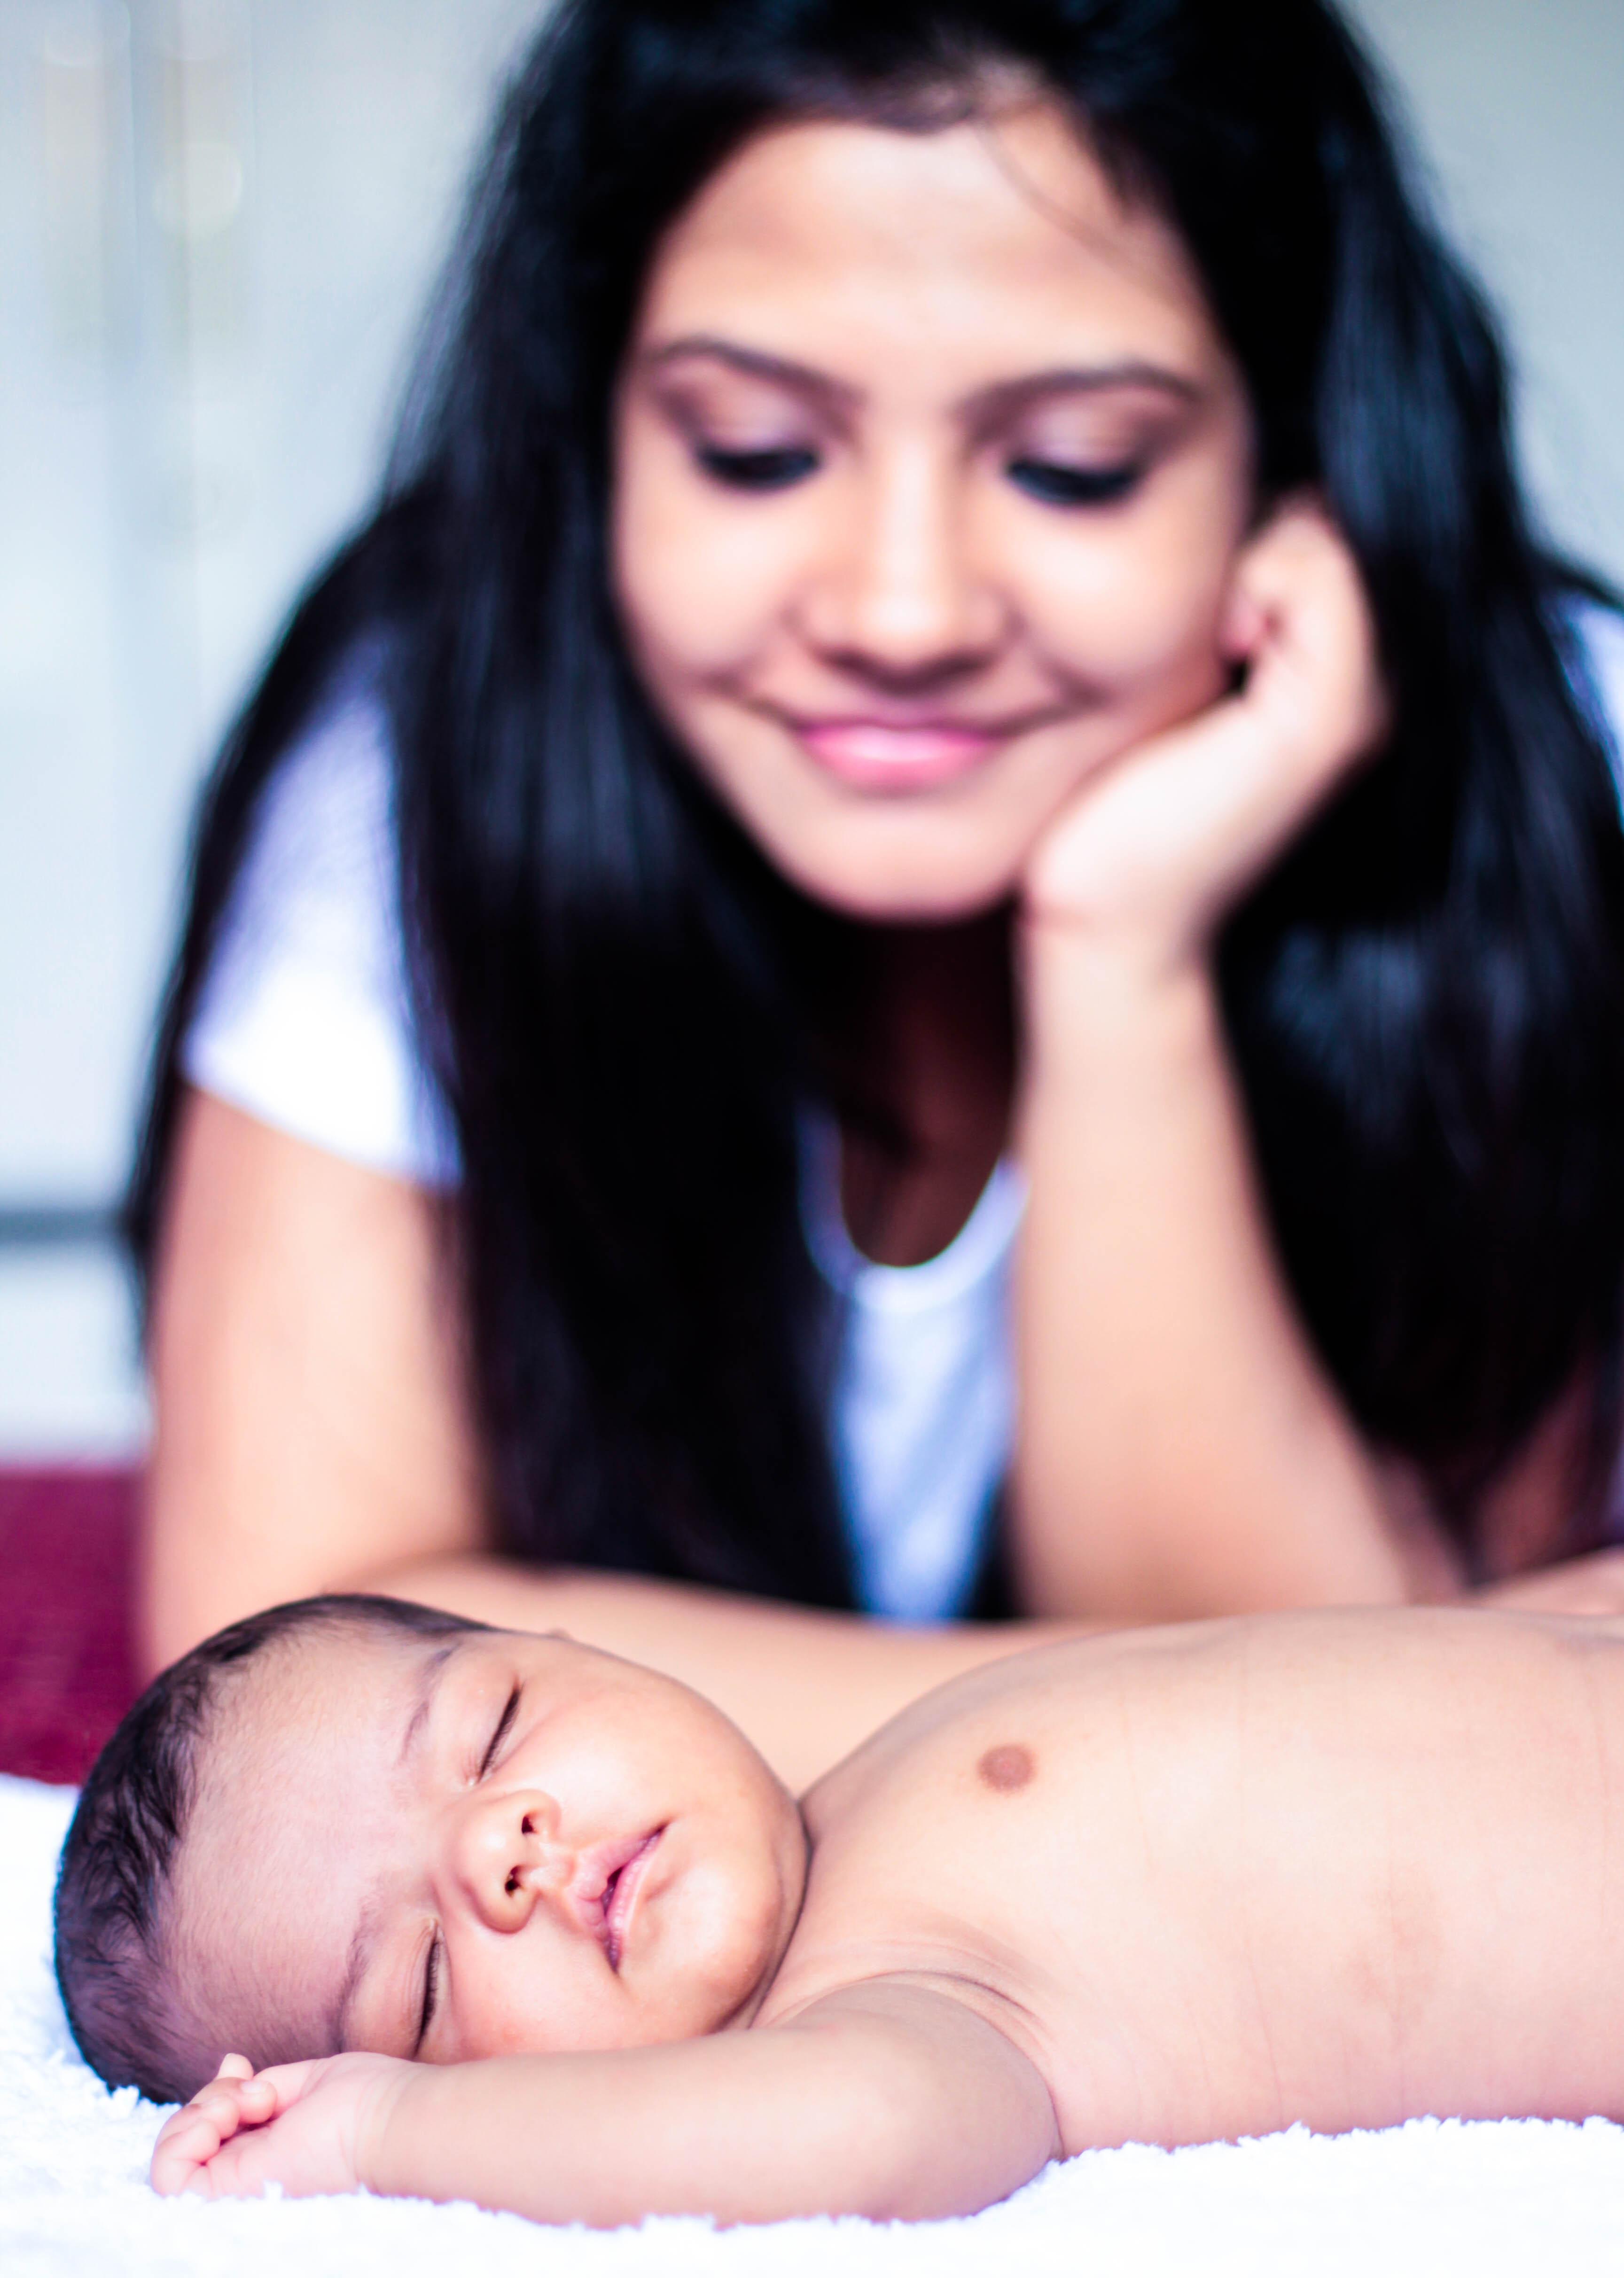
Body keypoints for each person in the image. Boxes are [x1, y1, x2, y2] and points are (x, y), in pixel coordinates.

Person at [130, 0, 1624, 1792]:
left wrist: (1123, 957)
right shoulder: (424, 753)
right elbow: (285, 1677)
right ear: (595, 443)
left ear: (1295, 469)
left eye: (1075, 467)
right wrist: (1319, 1692)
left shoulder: (1554, 758)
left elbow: (1396, 1767)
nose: (903, 612)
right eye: (756, 449)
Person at [55, 1590, 1624, 2224]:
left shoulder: (876, 1782)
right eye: (421, 1986)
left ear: (574, 1640)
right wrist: (384, 2134)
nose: (502, 1851)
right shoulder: (884, 2007)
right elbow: (870, 2133)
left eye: (493, 1727)